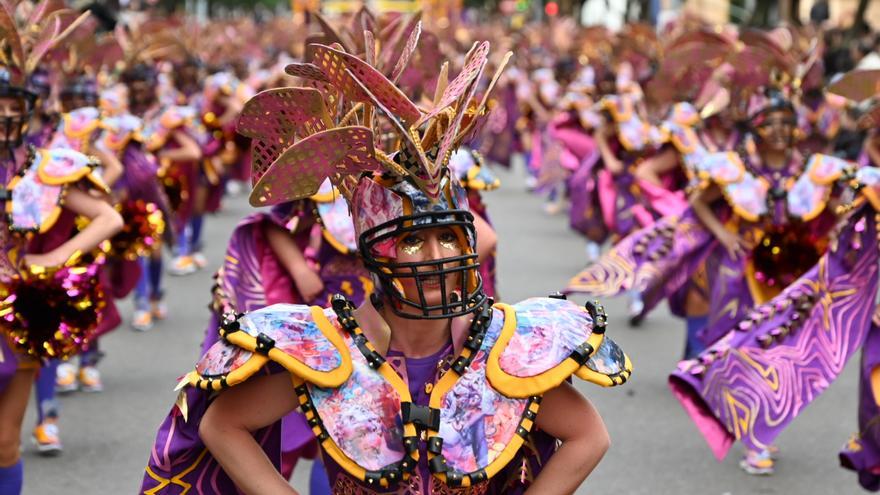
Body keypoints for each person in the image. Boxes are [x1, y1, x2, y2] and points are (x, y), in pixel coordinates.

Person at [143, 37, 630, 494]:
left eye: (448, 237)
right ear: (376, 254)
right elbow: (222, 424)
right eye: (414, 242)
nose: (438, 255)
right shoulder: (331, 349)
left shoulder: (506, 348)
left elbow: (590, 435)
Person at [0, 4, 123, 493]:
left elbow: (108, 217)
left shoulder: (42, 166)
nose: (5, 118)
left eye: (13, 108)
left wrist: (53, 258)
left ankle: (44, 419)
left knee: (5, 443)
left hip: (16, 312)